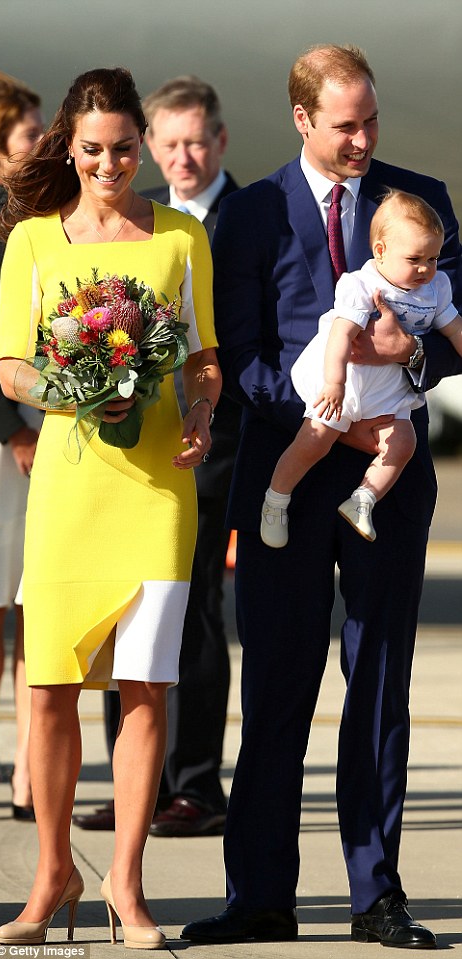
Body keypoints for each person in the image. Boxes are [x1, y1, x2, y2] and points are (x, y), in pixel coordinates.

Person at [181, 44, 462, 949]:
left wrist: (408, 359)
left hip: (388, 477)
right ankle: (260, 892)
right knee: (277, 684)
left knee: (378, 680)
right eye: (345, 124)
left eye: (370, 119)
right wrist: (323, 410)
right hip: (290, 473)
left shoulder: (420, 199)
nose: (362, 139)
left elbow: (453, 326)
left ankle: (376, 892)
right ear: (302, 119)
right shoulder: (255, 212)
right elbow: (239, 351)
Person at [0, 66, 220, 949]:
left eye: (126, 149)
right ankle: (53, 878)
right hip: (67, 484)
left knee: (144, 689)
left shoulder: (180, 237)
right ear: (71, 145)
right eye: (94, 149)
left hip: (157, 486)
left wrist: (199, 410)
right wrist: (74, 387)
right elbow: (9, 364)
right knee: (47, 687)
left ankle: (126, 884)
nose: (111, 164)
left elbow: (204, 355)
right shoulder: (32, 243)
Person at [73, 75, 240, 838]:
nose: (184, 155)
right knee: (124, 615)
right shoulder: (125, 227)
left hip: (208, 449)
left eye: (196, 140)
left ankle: (196, 783)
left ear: (221, 142)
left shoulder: (236, 221)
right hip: (126, 451)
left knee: (195, 616)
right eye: (169, 143)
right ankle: (138, 779)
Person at [261, 190, 462, 547]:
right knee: (315, 439)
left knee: (404, 442)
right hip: (349, 382)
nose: (425, 269)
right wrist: (334, 383)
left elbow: (454, 328)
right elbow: (341, 334)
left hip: (388, 389)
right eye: (414, 259)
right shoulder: (363, 285)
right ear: (381, 251)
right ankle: (276, 498)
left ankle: (363, 499)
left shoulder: (436, 288)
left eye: (433, 259)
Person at [0, 71, 44, 818]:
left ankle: (34, 775)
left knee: (41, 609)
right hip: (5, 444)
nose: (47, 145)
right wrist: (15, 433)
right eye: (32, 134)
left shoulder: (44, 218)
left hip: (41, 436)